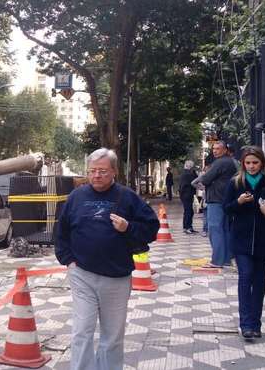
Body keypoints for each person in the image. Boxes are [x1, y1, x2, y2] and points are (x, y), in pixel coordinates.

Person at [55, 148, 159, 370]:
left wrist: (128, 227)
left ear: (114, 172)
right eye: (92, 171)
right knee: (82, 330)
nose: (96, 176)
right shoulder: (76, 197)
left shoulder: (128, 197)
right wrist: (68, 261)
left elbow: (152, 228)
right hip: (82, 274)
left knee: (112, 336)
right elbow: (61, 231)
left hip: (116, 278)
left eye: (102, 171)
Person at [223, 146, 265, 340]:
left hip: (264, 240)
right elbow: (227, 209)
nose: (251, 166)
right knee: (246, 277)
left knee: (259, 282)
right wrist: (239, 202)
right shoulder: (236, 182)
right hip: (241, 239)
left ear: (262, 163)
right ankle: (246, 325)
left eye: (255, 163)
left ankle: (255, 325)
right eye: (248, 163)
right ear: (243, 163)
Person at [197, 141, 237, 268]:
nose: (215, 151)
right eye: (213, 149)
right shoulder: (231, 162)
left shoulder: (219, 162)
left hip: (216, 199)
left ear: (225, 150)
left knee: (215, 229)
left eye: (218, 149)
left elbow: (205, 179)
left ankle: (217, 260)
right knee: (225, 229)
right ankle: (226, 259)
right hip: (226, 198)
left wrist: (205, 178)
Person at [179, 160, 197, 234]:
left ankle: (188, 226)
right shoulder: (188, 174)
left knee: (189, 211)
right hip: (187, 194)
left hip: (185, 194)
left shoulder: (185, 173)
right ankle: (187, 227)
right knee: (188, 211)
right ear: (190, 167)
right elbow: (196, 179)